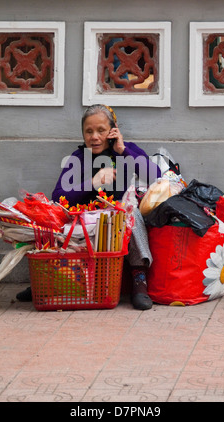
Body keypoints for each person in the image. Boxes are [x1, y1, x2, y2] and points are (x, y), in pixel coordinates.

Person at [17, 104, 160, 310]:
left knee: (132, 212)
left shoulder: (126, 149)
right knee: (53, 217)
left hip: (116, 224)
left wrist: (123, 150)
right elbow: (58, 197)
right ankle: (49, 281)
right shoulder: (79, 158)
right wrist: (93, 182)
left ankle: (139, 280)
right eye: (89, 131)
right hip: (85, 224)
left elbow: (155, 177)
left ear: (113, 130)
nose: (94, 137)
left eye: (101, 130)